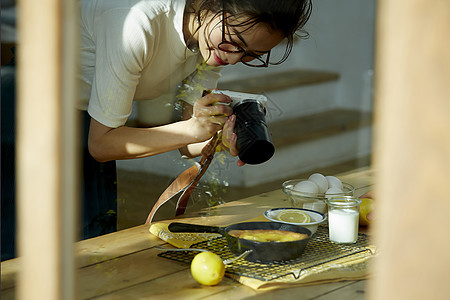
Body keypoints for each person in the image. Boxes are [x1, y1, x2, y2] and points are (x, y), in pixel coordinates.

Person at [79, 0, 313, 237]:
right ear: (211, 4)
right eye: (236, 43)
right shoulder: (137, 24)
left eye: (251, 55)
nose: (233, 59)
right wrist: (192, 129)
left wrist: (217, 140)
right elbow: (101, 144)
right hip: (47, 116)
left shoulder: (212, 40)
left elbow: (188, 143)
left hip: (91, 119)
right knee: (72, 246)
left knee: (98, 235)